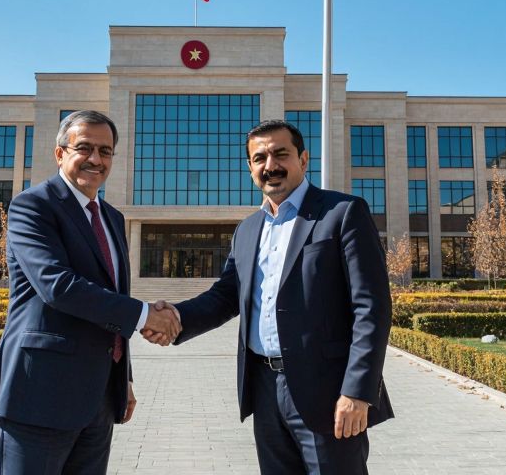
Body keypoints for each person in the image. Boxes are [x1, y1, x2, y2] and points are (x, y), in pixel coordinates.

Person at [157, 119, 393, 474]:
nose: (270, 166)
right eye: (259, 158)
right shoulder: (249, 228)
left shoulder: (342, 214)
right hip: (264, 388)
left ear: (303, 159)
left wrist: (358, 391)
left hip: (328, 391)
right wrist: (175, 317)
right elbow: (226, 296)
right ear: (250, 167)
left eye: (281, 154)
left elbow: (371, 309)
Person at [0, 110, 182, 475]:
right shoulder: (33, 206)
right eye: (85, 148)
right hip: (40, 395)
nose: (96, 159)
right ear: (60, 154)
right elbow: (57, 287)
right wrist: (144, 316)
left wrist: (124, 380)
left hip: (100, 400)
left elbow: (112, 300)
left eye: (105, 151)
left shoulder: (112, 218)